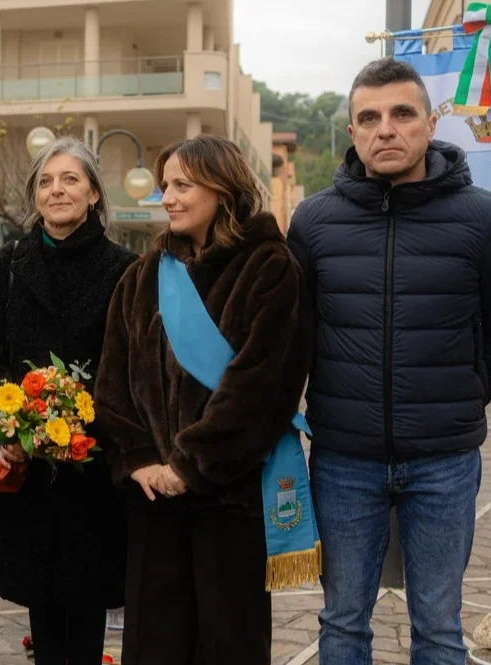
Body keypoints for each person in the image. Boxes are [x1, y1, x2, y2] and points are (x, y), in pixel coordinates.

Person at [286, 58, 491, 665]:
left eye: (402, 114)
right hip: (344, 459)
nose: (386, 129)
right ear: (352, 132)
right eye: (368, 118)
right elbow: (296, 334)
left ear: (430, 123)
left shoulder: (486, 218)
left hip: (444, 462)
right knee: (343, 622)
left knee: (438, 626)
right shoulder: (314, 222)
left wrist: (460, 393)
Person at [95, 135, 314, 665]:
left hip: (230, 497)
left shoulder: (271, 268)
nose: (167, 197)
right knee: (154, 645)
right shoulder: (141, 277)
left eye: (182, 185)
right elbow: (113, 384)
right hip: (153, 500)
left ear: (223, 189)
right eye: (165, 185)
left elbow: (262, 387)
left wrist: (190, 464)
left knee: (228, 643)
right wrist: (140, 459)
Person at [0, 136, 135, 665]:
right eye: (45, 181)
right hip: (27, 464)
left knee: (85, 605)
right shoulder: (13, 262)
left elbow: (130, 362)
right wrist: (9, 420)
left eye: (70, 179)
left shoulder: (124, 267)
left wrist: (87, 421)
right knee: (41, 601)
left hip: (92, 464)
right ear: (34, 196)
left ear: (93, 195)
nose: (56, 190)